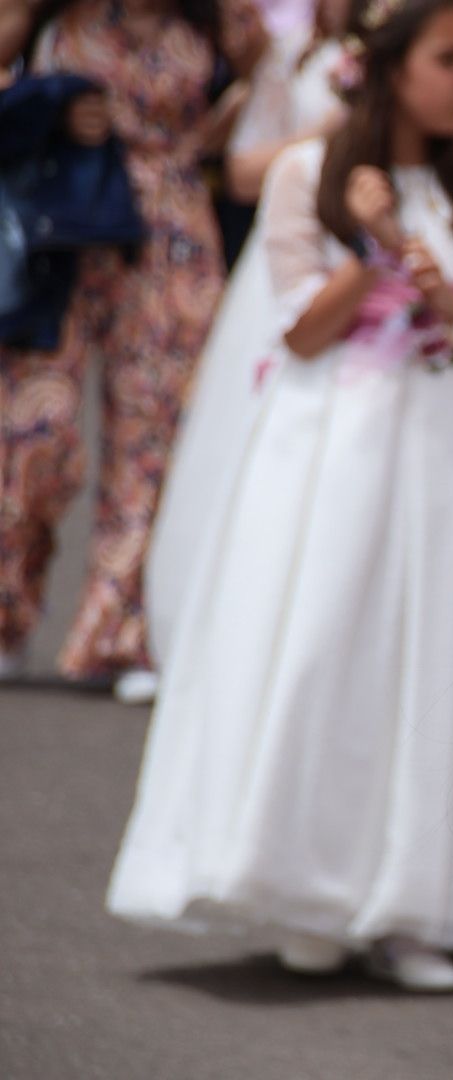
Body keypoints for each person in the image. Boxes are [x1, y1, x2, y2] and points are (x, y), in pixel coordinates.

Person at [105, 0, 453, 993]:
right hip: (336, 452)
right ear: (389, 70)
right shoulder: (311, 177)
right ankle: (310, 888)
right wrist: (376, 250)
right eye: (449, 59)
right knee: (325, 642)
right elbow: (297, 331)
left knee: (447, 650)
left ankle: (419, 902)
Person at [142, 0, 453, 671]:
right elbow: (244, 172)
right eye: (449, 62)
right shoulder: (301, 101)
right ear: (389, 70)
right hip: (344, 391)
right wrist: (370, 230)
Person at [0, 0, 263, 700]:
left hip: (171, 230)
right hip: (58, 232)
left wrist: (222, 120)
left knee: (153, 441)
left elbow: (273, 77)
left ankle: (120, 631)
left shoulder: (212, 19)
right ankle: (8, 610)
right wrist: (44, 107)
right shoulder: (52, 14)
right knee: (35, 433)